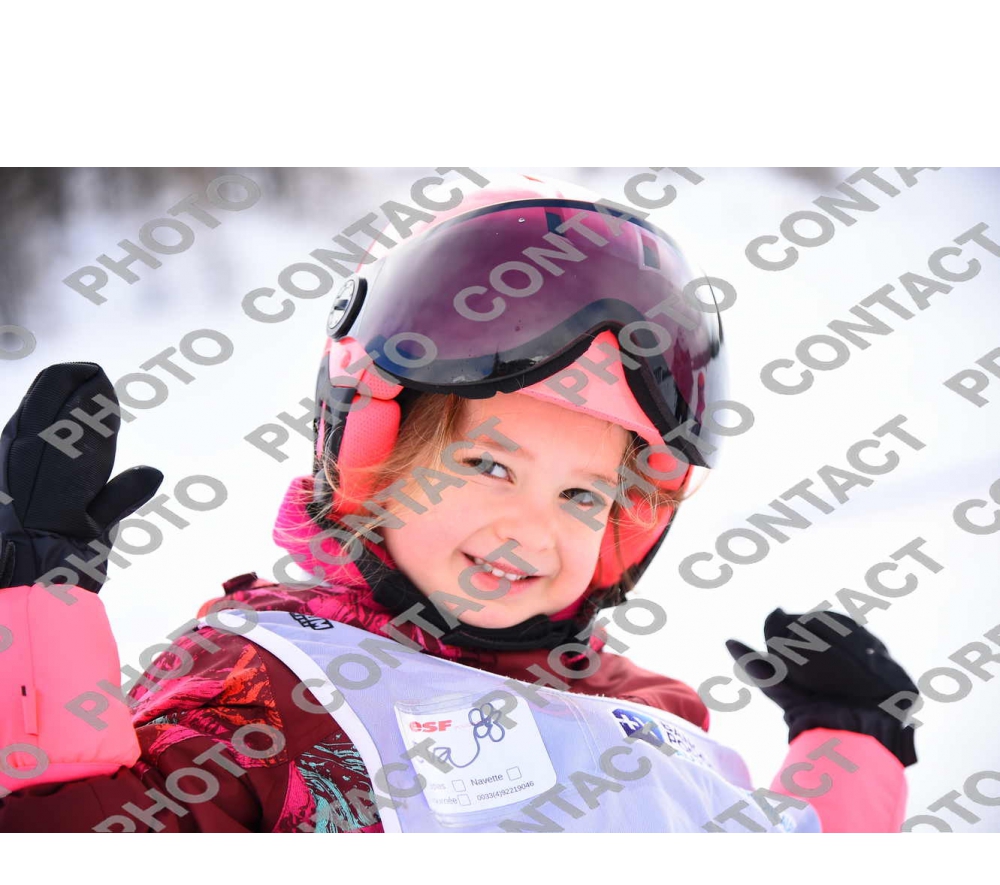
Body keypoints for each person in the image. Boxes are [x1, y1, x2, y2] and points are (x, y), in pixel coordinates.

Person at [0, 175, 919, 833]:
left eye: (581, 493)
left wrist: (852, 745)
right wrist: (32, 624)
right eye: (486, 466)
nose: (531, 526)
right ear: (375, 463)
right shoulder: (263, 693)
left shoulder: (646, 714)